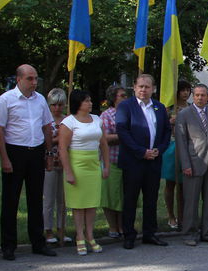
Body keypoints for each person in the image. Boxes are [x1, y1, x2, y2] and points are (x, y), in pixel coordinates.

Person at [0, 64, 57, 260]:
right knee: (10, 200)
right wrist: (4, 158)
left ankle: (38, 242)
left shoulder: (40, 99)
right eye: (30, 79)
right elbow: (0, 130)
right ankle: (8, 245)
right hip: (14, 151)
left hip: (36, 152)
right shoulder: (6, 100)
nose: (34, 83)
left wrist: (49, 153)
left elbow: (47, 127)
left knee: (35, 199)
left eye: (35, 79)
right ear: (19, 79)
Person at [116, 73, 171, 249]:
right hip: (134, 161)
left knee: (151, 199)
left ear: (153, 89)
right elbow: (123, 132)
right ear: (134, 87)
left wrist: (159, 150)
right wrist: (141, 152)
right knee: (131, 199)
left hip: (154, 161)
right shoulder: (126, 106)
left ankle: (150, 233)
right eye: (140, 86)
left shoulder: (159, 107)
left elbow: (166, 132)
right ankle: (129, 235)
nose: (143, 90)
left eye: (147, 87)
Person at [59, 90, 110, 255]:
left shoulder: (97, 119)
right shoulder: (69, 122)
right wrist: (68, 172)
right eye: (86, 101)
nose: (90, 103)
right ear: (78, 103)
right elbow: (62, 149)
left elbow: (103, 145)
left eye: (90, 100)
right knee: (79, 204)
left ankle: (90, 234)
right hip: (77, 164)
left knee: (91, 203)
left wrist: (106, 166)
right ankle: (79, 236)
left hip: (94, 164)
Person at [175, 84, 208, 246]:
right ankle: (190, 233)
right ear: (192, 96)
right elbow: (181, 142)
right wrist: (185, 164)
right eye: (197, 95)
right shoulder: (184, 114)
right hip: (193, 163)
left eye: (203, 95)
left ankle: (207, 232)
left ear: (207, 97)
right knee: (191, 201)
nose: (200, 98)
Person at [162, 79, 191, 229]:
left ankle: (182, 215)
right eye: (183, 90)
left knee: (183, 184)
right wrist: (170, 122)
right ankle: (171, 215)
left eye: (188, 90)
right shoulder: (169, 109)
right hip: (172, 146)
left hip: (187, 146)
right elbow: (161, 127)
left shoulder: (191, 108)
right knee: (170, 183)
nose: (185, 93)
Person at [100, 85, 127, 238]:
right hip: (111, 160)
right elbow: (104, 138)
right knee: (111, 196)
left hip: (128, 161)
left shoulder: (130, 113)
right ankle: (113, 227)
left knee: (123, 196)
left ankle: (123, 226)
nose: (125, 98)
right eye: (122, 96)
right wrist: (124, 136)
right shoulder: (106, 115)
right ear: (113, 98)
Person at [43, 88, 69, 244]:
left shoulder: (67, 121)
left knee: (63, 199)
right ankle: (48, 230)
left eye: (60, 104)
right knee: (48, 198)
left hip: (64, 163)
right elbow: (44, 142)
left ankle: (62, 229)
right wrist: (56, 139)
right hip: (49, 162)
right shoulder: (45, 121)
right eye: (54, 105)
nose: (57, 108)